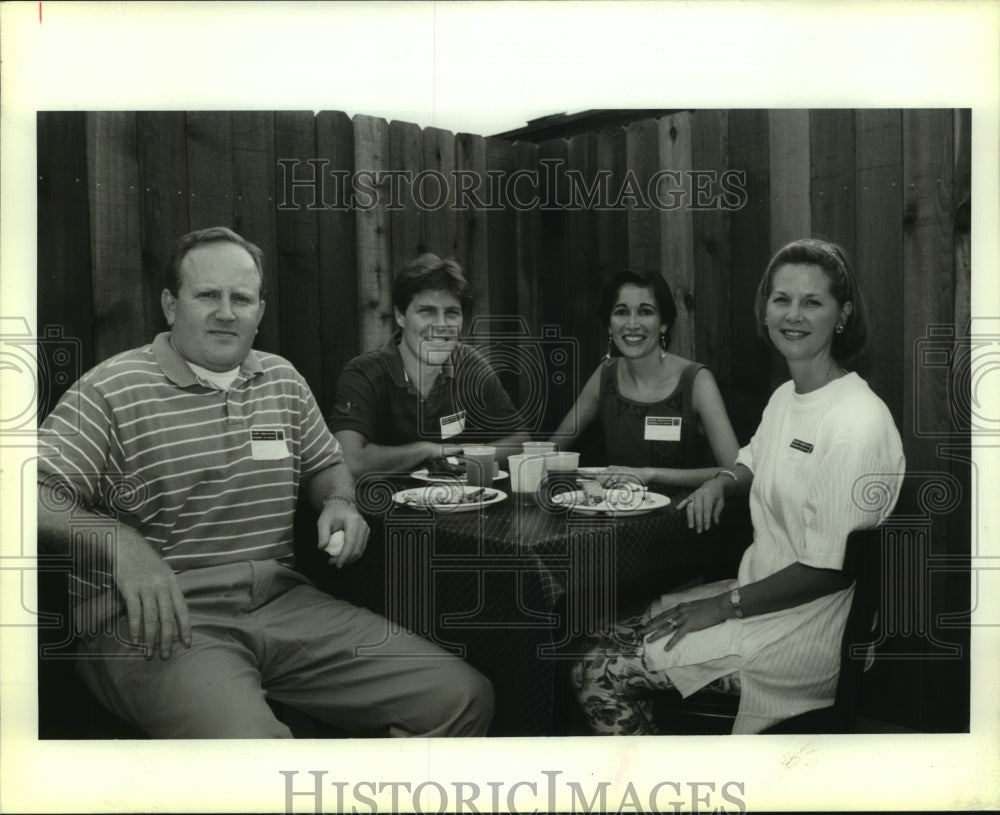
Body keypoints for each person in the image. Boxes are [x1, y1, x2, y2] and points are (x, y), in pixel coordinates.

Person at [36, 227, 493, 739]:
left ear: (260, 310)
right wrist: (123, 546)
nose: (226, 312)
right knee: (259, 759)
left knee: (462, 699)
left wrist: (340, 500)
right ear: (170, 305)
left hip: (282, 602)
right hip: (158, 619)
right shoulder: (112, 387)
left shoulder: (280, 378)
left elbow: (325, 465)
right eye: (208, 295)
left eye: (242, 298)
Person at [571, 238, 905, 735]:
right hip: (758, 597)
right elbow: (750, 461)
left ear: (842, 314)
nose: (793, 315)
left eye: (812, 302)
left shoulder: (855, 421)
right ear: (764, 310)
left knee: (593, 667)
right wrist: (722, 482)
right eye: (781, 299)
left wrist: (718, 607)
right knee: (603, 628)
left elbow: (825, 571)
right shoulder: (788, 397)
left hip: (804, 634)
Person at [329, 253, 527, 476]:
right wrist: (426, 451)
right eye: (427, 311)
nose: (441, 325)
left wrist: (453, 458)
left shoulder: (470, 364)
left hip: (462, 503)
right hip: (386, 507)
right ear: (400, 316)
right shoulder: (364, 372)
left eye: (451, 313)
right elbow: (349, 460)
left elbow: (520, 442)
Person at [550, 269, 740, 488]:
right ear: (609, 326)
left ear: (664, 323)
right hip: (619, 515)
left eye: (645, 312)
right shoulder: (606, 374)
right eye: (621, 312)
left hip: (683, 516)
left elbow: (736, 472)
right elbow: (553, 449)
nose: (632, 323)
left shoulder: (697, 381)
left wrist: (651, 474)